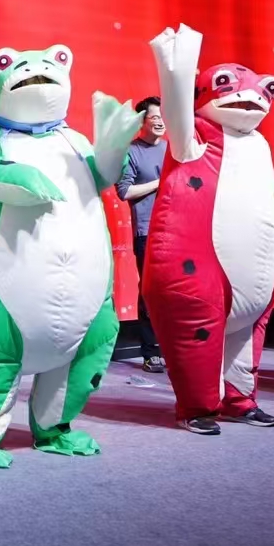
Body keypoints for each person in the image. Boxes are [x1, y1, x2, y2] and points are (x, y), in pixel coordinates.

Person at [117, 97, 167, 373]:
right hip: (147, 231)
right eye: (155, 117)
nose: (161, 121)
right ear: (142, 121)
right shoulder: (131, 151)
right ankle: (150, 352)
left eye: (163, 116)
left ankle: (175, 348)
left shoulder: (173, 149)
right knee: (150, 292)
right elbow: (124, 191)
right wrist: (160, 182)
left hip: (179, 231)